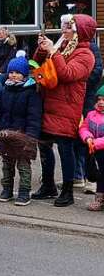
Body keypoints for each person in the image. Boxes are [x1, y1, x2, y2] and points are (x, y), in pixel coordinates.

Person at [31, 14, 97, 207]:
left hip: (67, 106)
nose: (64, 30)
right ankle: (49, 185)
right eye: (65, 26)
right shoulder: (61, 46)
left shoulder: (86, 55)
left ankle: (68, 191)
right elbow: (37, 65)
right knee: (44, 145)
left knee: (65, 149)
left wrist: (54, 51)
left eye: (69, 27)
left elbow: (67, 74)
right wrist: (42, 49)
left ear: (80, 32)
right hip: (48, 102)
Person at [0, 52, 42, 206]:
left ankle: (24, 192)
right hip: (6, 133)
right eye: (11, 72)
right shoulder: (4, 90)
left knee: (23, 165)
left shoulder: (31, 92)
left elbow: (34, 116)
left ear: (24, 74)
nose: (13, 75)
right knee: (6, 164)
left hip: (23, 135)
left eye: (17, 73)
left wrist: (31, 136)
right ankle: (6, 189)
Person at [75, 31, 103, 194]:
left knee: (88, 140)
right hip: (74, 100)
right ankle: (78, 175)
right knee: (76, 137)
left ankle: (91, 178)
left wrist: (78, 80)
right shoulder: (68, 46)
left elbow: (96, 71)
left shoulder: (92, 48)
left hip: (86, 98)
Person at [79, 85, 104, 212]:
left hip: (97, 147)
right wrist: (87, 137)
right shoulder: (91, 114)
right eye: (99, 99)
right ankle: (99, 199)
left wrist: (95, 142)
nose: (101, 102)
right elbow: (84, 128)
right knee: (99, 175)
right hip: (95, 152)